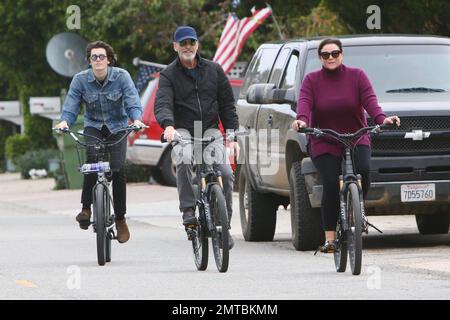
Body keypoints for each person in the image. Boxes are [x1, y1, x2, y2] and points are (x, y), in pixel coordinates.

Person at [291, 38, 400, 253]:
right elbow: (304, 104)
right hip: (325, 138)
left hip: (355, 136)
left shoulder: (357, 76)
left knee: (364, 170)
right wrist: (301, 120)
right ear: (320, 58)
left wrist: (382, 119)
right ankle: (330, 238)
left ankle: (357, 209)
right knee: (331, 182)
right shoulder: (312, 80)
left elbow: (370, 102)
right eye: (325, 55)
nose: (331, 57)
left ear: (342, 54)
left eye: (335, 53)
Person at [154, 26, 239, 249]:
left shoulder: (214, 70)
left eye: (191, 42)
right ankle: (189, 210)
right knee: (183, 158)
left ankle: (224, 224)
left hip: (210, 131)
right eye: (183, 43)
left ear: (197, 44)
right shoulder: (168, 75)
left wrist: (231, 134)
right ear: (175, 46)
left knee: (227, 174)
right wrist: (169, 126)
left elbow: (227, 104)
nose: (188, 47)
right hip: (183, 130)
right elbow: (163, 102)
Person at [54, 41, 145, 243]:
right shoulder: (80, 80)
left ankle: (120, 219)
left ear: (109, 59)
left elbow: (132, 101)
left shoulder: (122, 76)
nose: (98, 60)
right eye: (94, 57)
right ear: (89, 60)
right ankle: (86, 208)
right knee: (92, 163)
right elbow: (71, 105)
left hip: (118, 126)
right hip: (94, 126)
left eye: (101, 56)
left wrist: (137, 119)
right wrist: (64, 122)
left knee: (119, 169)